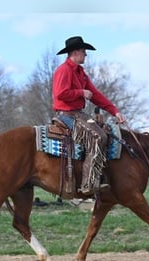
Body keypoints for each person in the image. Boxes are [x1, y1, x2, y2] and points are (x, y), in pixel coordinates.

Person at [52, 36, 126, 195]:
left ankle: (101, 177)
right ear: (76, 52)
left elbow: (96, 95)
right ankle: (88, 184)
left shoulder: (81, 73)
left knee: (105, 131)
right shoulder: (64, 70)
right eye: (84, 52)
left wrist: (114, 111)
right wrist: (81, 92)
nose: (86, 55)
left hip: (78, 114)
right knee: (98, 136)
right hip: (67, 114)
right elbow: (60, 93)